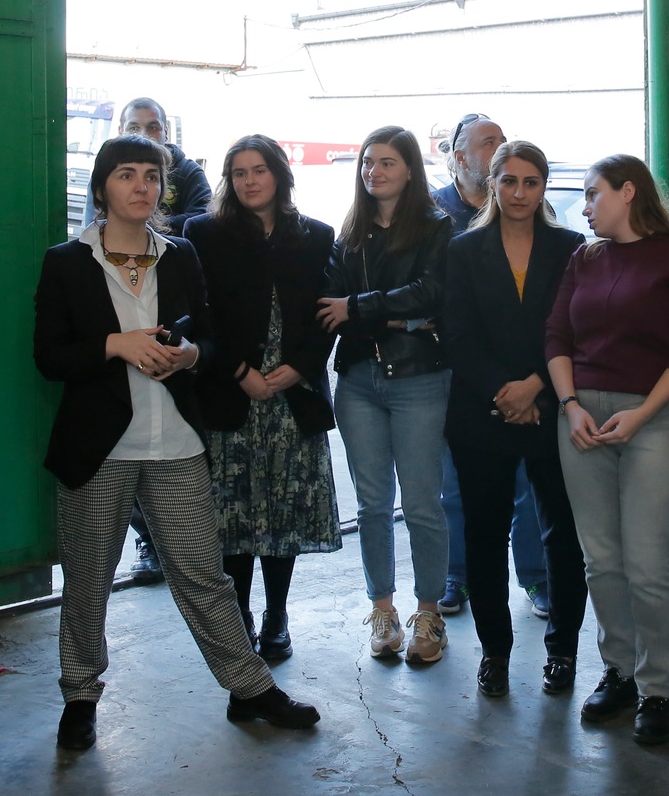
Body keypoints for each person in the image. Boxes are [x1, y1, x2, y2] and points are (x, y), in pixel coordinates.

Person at [33, 135, 319, 753]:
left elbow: (208, 337)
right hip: (100, 447)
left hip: (176, 442)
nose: (141, 186)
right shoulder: (67, 261)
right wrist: (115, 345)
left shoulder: (180, 253)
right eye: (126, 175)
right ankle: (79, 696)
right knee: (88, 579)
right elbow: (49, 356)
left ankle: (251, 688)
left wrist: (191, 354)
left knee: (202, 576)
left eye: (151, 175)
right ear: (102, 187)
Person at [546, 155, 669, 744]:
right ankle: (618, 672)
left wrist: (642, 414)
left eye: (593, 194)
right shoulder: (584, 259)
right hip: (582, 420)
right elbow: (557, 336)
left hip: (656, 417)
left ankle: (657, 690)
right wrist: (570, 406)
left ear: (628, 192)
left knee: (648, 565)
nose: (586, 206)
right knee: (601, 559)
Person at [182, 135, 342, 662]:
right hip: (231, 391)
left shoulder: (315, 235)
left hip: (292, 393)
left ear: (279, 174)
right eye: (239, 172)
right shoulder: (204, 232)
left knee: (283, 512)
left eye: (259, 170)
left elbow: (326, 314)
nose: (249, 181)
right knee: (234, 512)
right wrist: (240, 371)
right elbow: (199, 313)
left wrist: (300, 368)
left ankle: (277, 615)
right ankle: (240, 617)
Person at [443, 139, 590, 698]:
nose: (520, 193)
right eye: (509, 181)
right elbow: (457, 333)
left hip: (550, 408)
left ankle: (563, 652)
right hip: (483, 413)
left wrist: (534, 387)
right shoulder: (463, 249)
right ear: (493, 185)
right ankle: (495, 654)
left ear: (544, 187)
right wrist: (504, 392)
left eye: (531, 182)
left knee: (563, 537)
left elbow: (573, 328)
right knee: (484, 538)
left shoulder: (571, 248)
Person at [318, 126, 455, 665]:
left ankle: (429, 613)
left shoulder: (435, 226)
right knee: (372, 505)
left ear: (410, 169)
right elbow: (329, 304)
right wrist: (395, 316)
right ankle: (383, 610)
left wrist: (359, 308)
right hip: (357, 381)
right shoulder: (350, 232)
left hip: (419, 379)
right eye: (368, 162)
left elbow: (432, 294)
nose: (374, 171)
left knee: (421, 503)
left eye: (387, 162)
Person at [426, 113, 549, 620]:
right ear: (460, 157)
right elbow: (446, 312)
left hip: (532, 383)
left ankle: (537, 576)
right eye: (488, 143)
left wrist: (530, 386)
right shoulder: (436, 214)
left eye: (502, 139)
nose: (500, 147)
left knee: (528, 489)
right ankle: (457, 575)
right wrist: (498, 387)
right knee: (457, 488)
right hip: (464, 378)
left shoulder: (543, 225)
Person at [113, 96, 213, 584]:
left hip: (175, 312)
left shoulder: (189, 175)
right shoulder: (75, 257)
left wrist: (149, 228)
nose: (142, 188)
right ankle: (147, 541)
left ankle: (174, 546)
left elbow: (197, 223)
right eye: (135, 127)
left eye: (153, 127)